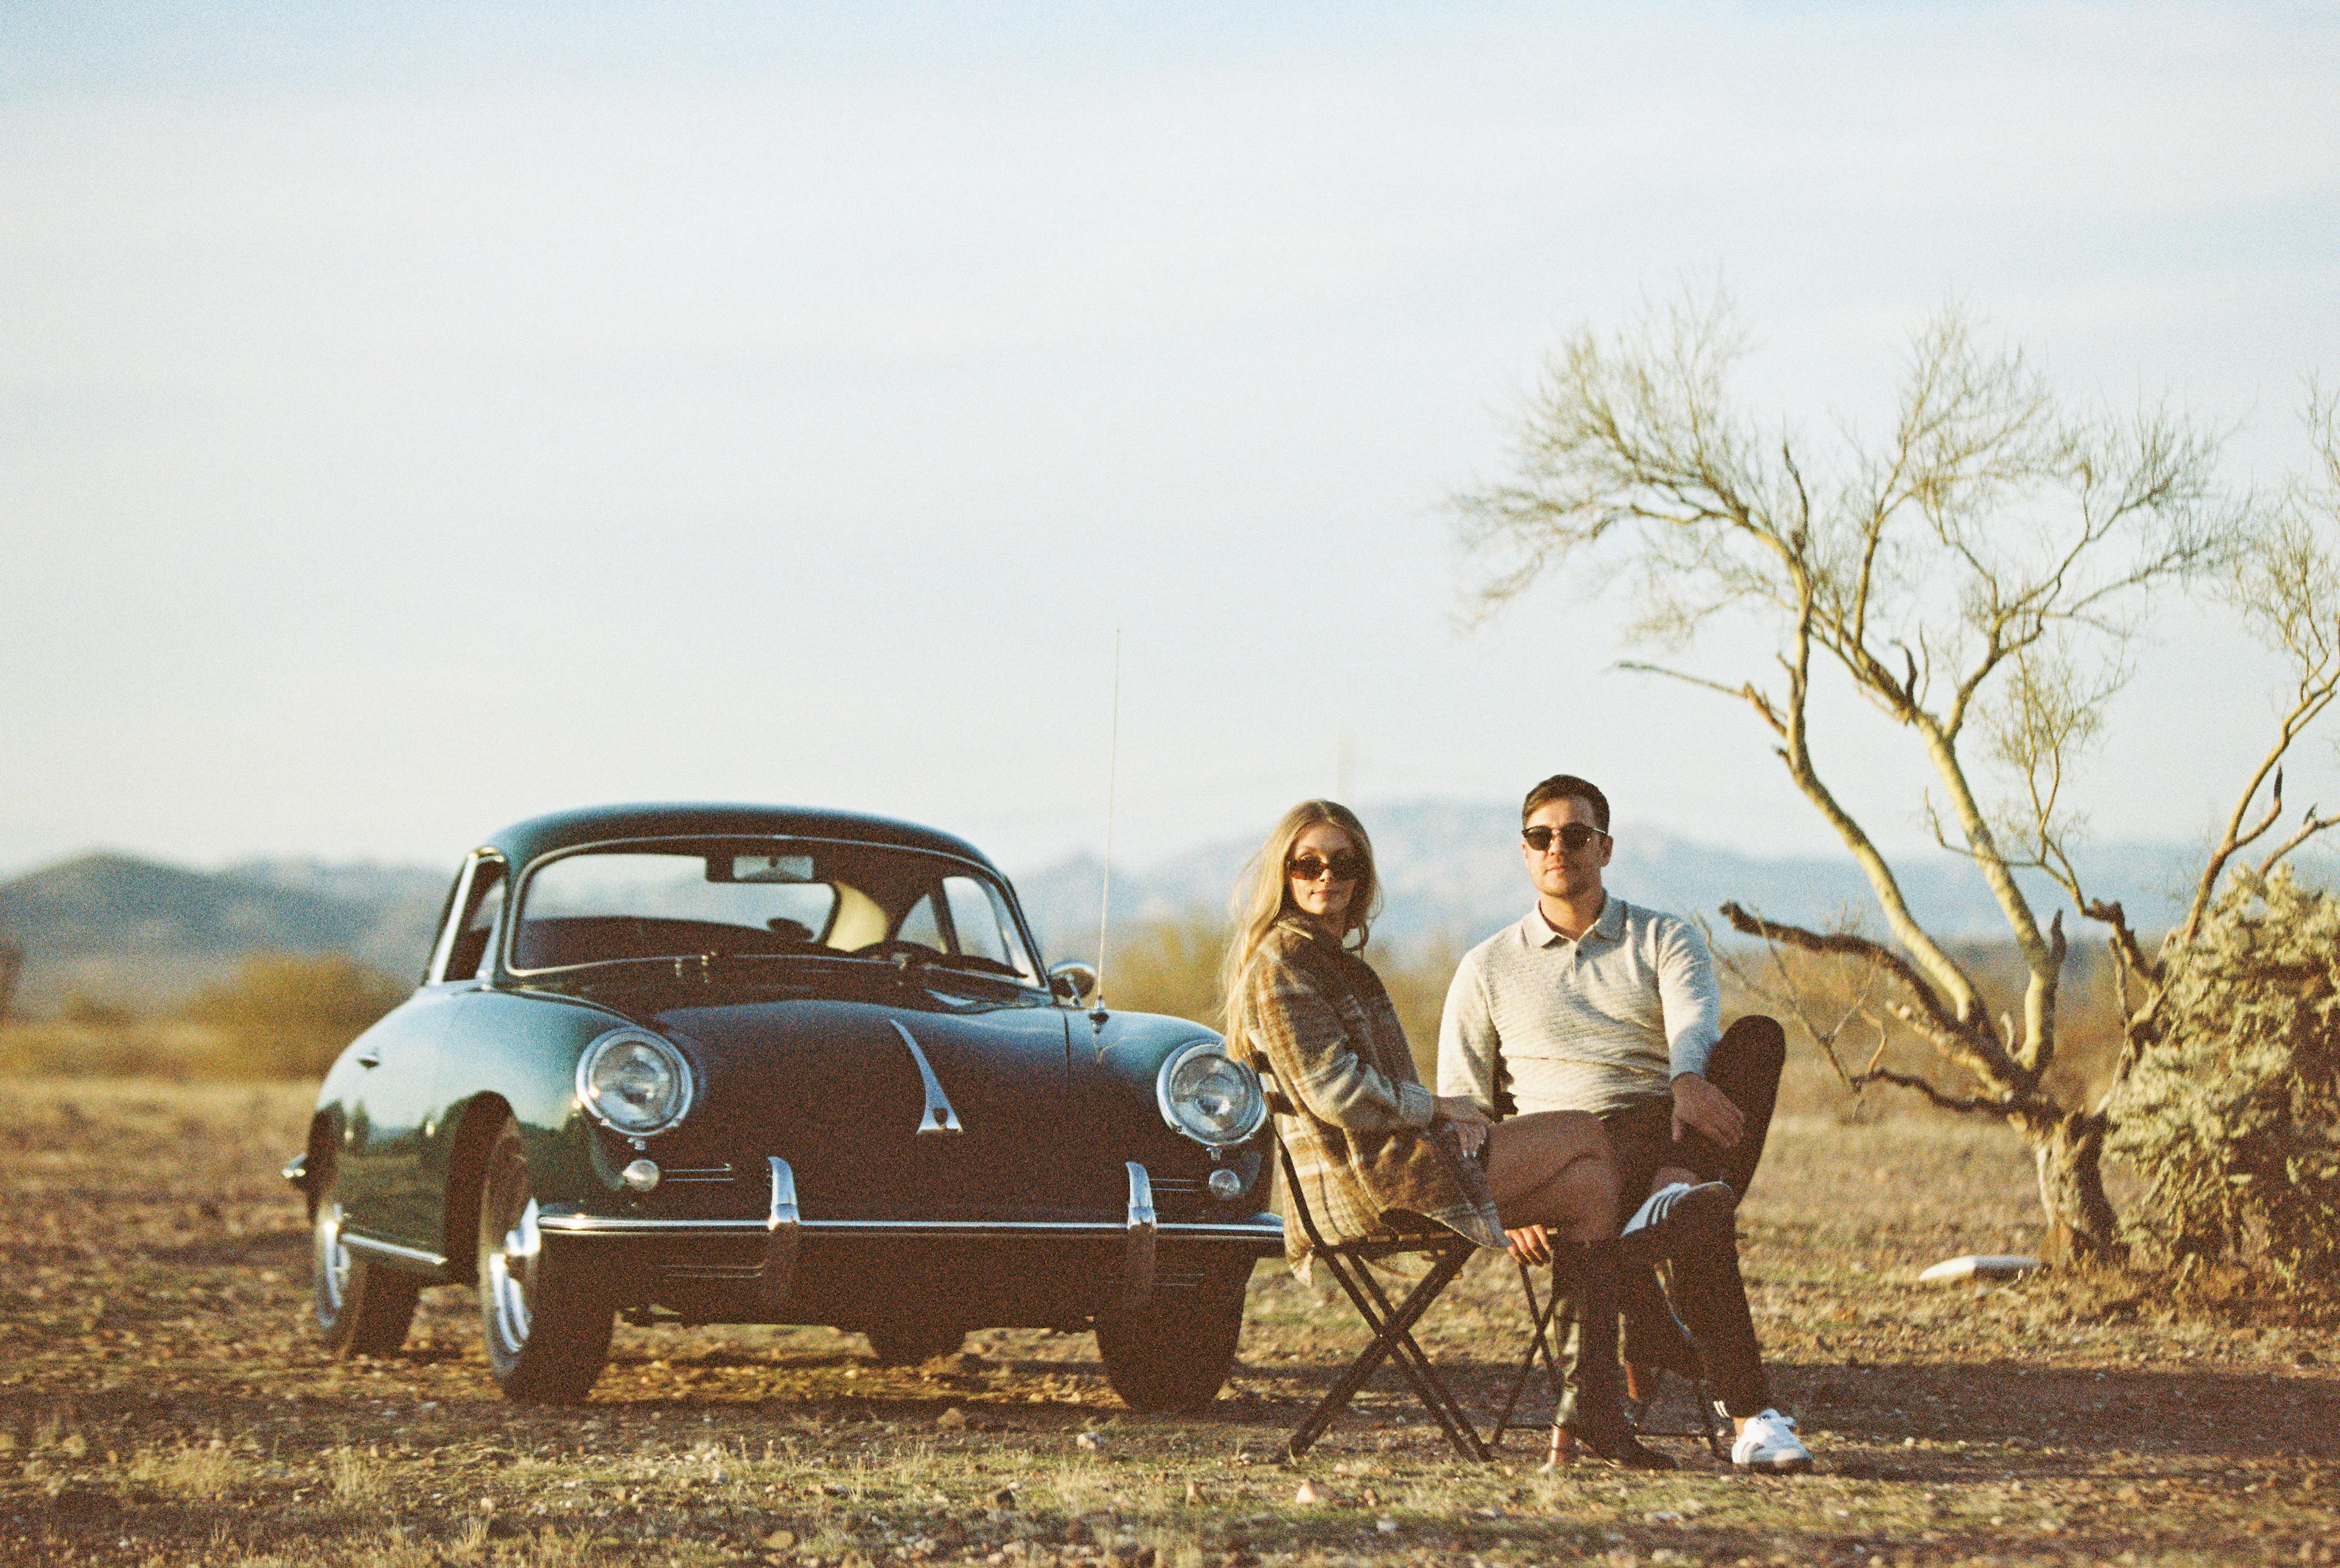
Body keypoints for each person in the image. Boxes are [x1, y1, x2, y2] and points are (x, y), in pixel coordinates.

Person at [1222, 799, 1671, 1467]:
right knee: (1584, 1132)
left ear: (1362, 872)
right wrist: (1436, 1107)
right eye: (1307, 863)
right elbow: (1335, 1090)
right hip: (1367, 1185)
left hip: (1394, 1165)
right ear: (1283, 874)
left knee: (1589, 1187)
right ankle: (1655, 1327)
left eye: (1343, 862)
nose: (1327, 876)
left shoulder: (1334, 960)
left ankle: (1592, 1413)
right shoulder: (1284, 961)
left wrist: (1440, 1116)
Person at [1437, 773, 1814, 1474]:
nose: (1559, 848)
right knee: (1698, 1215)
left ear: (1604, 847)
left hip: (1665, 1128)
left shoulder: (1663, 936)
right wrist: (1510, 1190)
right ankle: (1750, 1412)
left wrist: (1686, 1084)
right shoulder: (1484, 965)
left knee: (1756, 1037)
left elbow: (1694, 1021)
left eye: (1576, 834)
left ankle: (1675, 1194)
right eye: (1541, 836)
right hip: (1562, 1160)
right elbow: (1462, 1102)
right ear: (1524, 852)